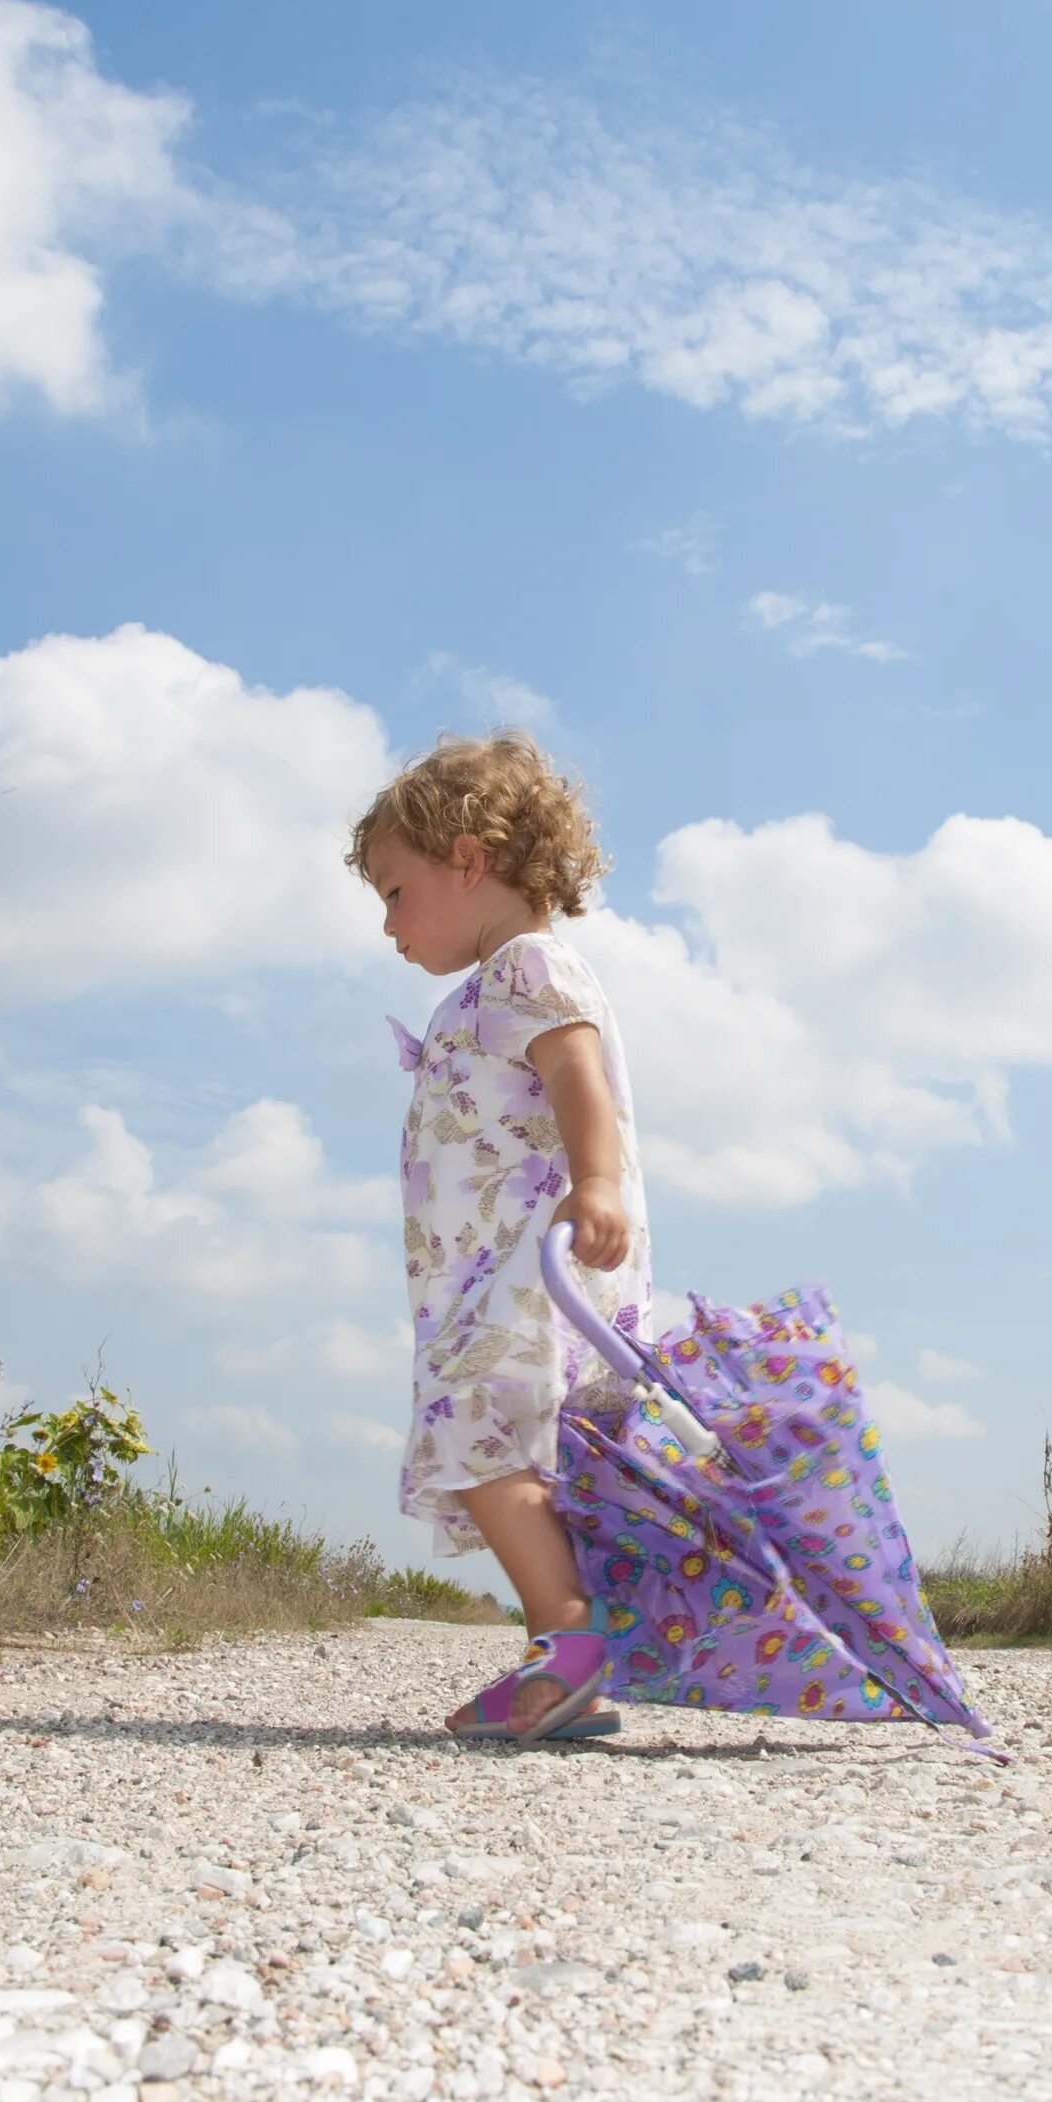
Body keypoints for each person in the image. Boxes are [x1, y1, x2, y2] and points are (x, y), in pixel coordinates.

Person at [348, 731, 650, 1743]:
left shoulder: (527, 967)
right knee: (509, 1454)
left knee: (480, 1440)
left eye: (395, 890)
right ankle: (568, 1668)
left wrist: (598, 1181)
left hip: (528, 1272)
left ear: (470, 860)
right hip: (493, 1276)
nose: (386, 921)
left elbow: (579, 1074)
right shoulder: (487, 989)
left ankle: (569, 1637)